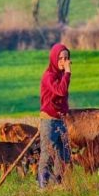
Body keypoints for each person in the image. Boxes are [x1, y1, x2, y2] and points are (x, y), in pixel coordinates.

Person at [38, 43, 71, 188]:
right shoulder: (49, 76)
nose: (64, 61)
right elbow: (61, 91)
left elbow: (62, 98)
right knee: (47, 153)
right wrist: (68, 73)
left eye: (66, 58)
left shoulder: (62, 75)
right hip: (49, 121)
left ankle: (58, 183)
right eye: (61, 58)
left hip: (60, 120)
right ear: (54, 59)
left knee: (63, 155)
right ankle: (42, 186)